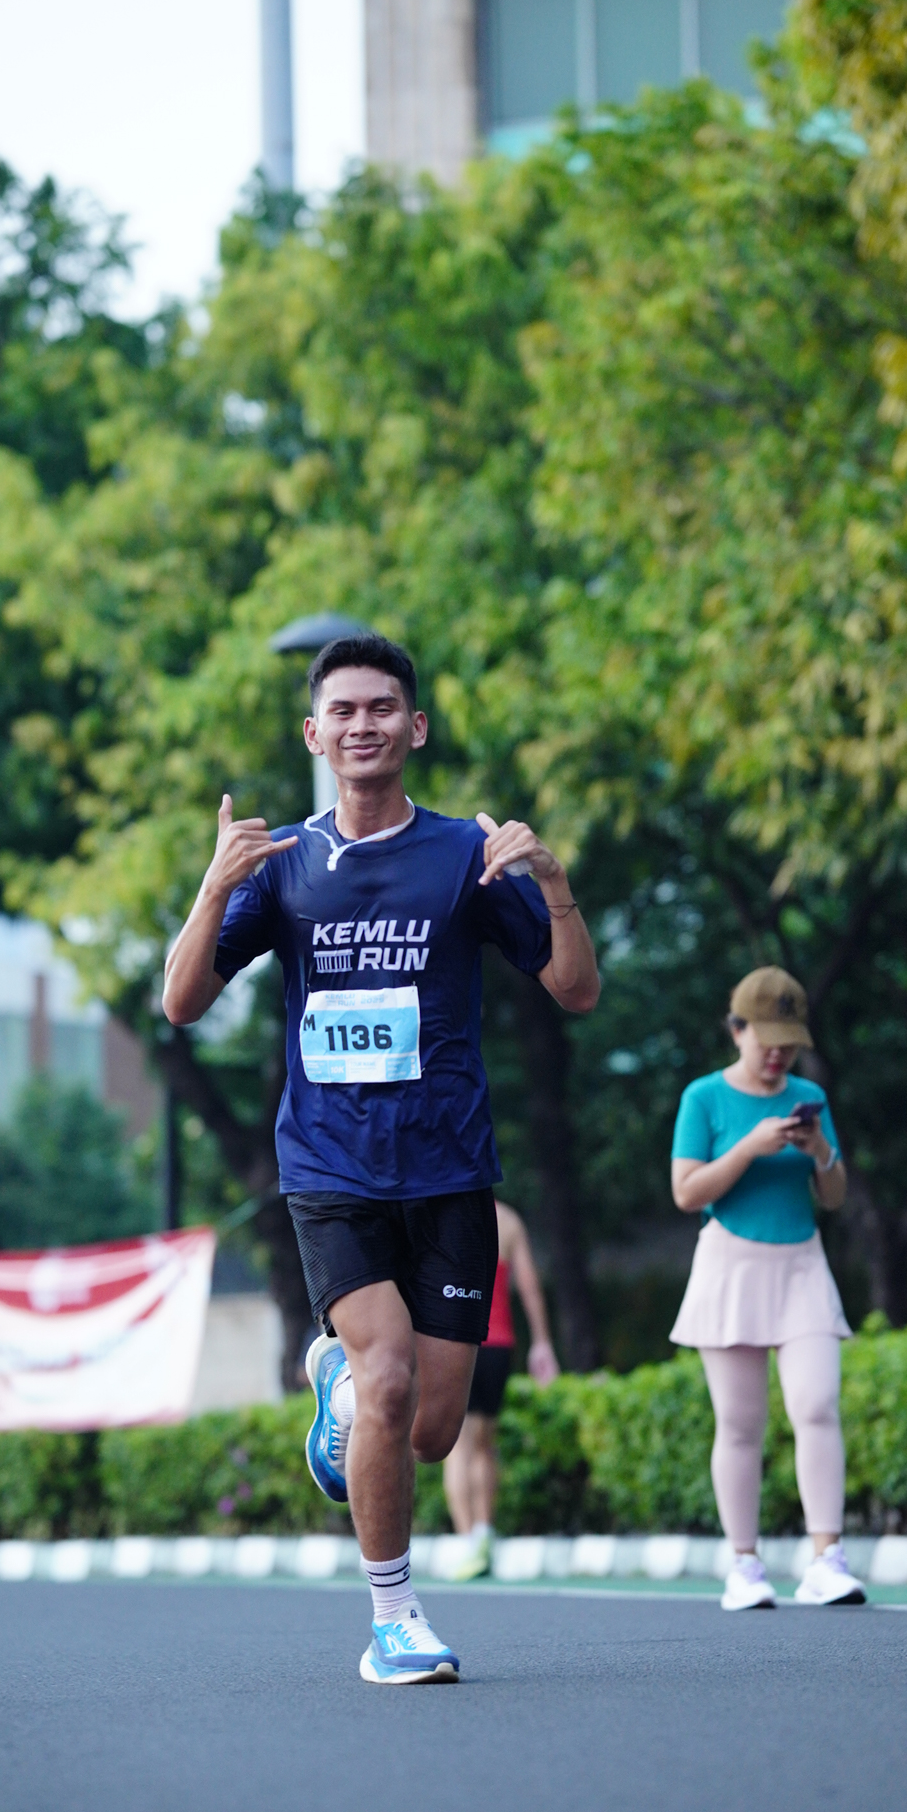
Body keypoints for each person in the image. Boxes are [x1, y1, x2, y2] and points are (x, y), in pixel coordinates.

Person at [163, 631, 599, 1683]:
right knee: (391, 1374)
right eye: (343, 710)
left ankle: (342, 1390)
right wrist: (214, 887)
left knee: (432, 1428)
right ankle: (393, 1618)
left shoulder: (462, 854)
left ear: (416, 726)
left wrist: (551, 881)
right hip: (330, 1167)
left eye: (381, 707)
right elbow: (180, 1001)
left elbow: (576, 989)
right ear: (315, 735)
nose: (363, 724)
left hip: (449, 1167)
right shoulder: (284, 864)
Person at [669, 967, 866, 1612]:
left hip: (802, 1264)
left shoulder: (809, 1095)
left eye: (789, 1044)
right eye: (767, 1041)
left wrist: (819, 1150)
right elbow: (686, 1192)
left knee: (817, 1404)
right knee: (740, 1423)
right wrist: (750, 1147)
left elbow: (833, 1197)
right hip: (730, 1265)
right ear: (737, 1030)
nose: (778, 1055)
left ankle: (826, 1558)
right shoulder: (704, 1097)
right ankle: (744, 1564)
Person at [442, 1198, 560, 1581]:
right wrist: (542, 1342)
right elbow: (529, 1286)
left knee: (458, 1446)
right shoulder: (508, 1220)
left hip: (454, 1340)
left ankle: (467, 1543)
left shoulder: (439, 1209)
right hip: (497, 1344)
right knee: (484, 1443)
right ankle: (484, 1534)